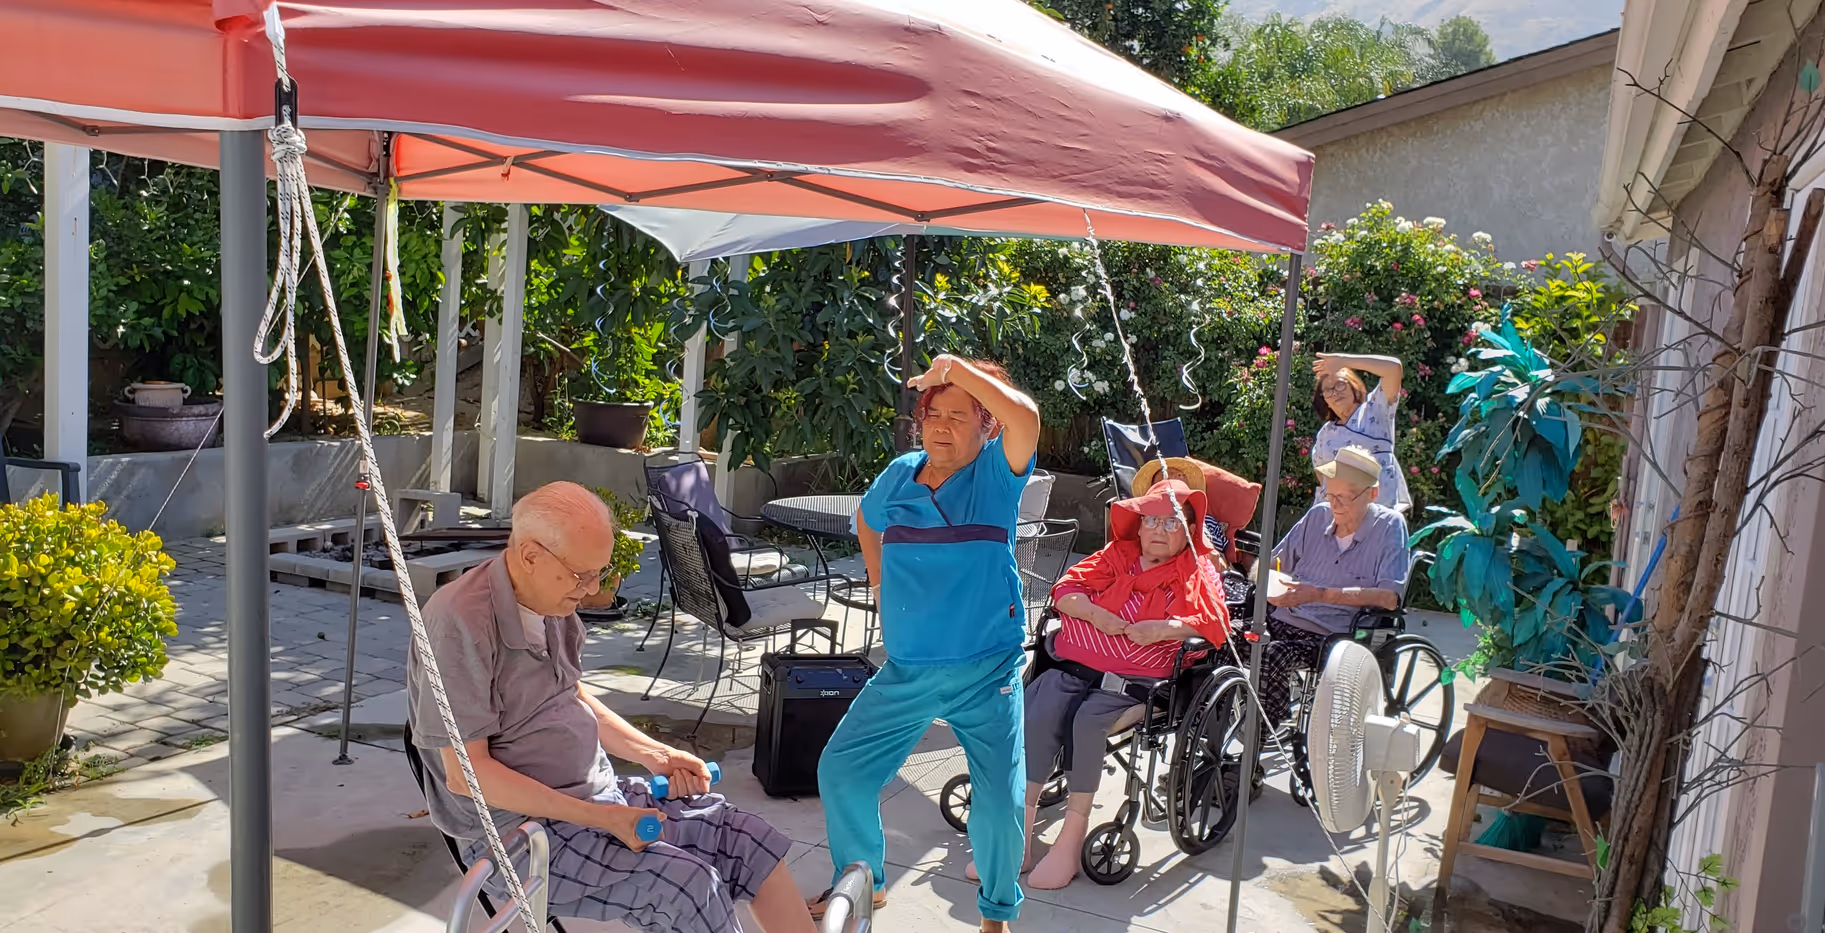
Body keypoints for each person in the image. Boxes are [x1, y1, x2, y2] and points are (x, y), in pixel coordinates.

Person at [405, 481, 813, 933]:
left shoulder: (551, 600)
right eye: (581, 574)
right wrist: (604, 818)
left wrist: (655, 754)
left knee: (745, 840)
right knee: (686, 887)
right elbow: (467, 775)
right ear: (530, 555)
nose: (593, 588)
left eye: (599, 572)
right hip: (519, 836)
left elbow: (572, 697)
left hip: (594, 798)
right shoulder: (459, 623)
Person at [814, 355, 1041, 933]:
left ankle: (996, 913)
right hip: (907, 671)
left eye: (958, 415)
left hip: (985, 672)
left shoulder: (994, 476)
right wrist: (877, 577)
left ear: (985, 424)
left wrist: (957, 369)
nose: (940, 426)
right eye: (932, 414)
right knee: (842, 771)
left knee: (1000, 804)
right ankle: (866, 881)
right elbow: (868, 520)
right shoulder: (899, 473)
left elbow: (1028, 418)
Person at [1013, 468, 1228, 889]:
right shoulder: (1117, 554)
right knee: (1041, 703)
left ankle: (1070, 839)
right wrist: (1097, 614)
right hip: (1077, 667)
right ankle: (1018, 827)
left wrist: (1164, 629)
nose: (1159, 530)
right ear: (1138, 522)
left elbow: (1216, 621)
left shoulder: (1197, 569)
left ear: (1188, 530)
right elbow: (1065, 590)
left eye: (1171, 522)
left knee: (1088, 720)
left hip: (1134, 685)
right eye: (1151, 519)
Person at [1261, 446, 1411, 727]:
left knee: (1272, 656)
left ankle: (1252, 753)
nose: (1335, 505)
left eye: (1344, 498)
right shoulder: (1317, 516)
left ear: (1372, 494)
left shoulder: (1390, 526)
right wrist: (1271, 584)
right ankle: (1206, 741)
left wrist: (1320, 594)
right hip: (1282, 620)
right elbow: (1269, 565)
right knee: (1220, 639)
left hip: (1332, 636)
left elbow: (1390, 598)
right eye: (1330, 495)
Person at [1311, 352, 1410, 513]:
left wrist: (1344, 361)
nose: (1335, 392)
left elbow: (1394, 368)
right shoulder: (1325, 434)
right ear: (1325, 401)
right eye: (1328, 390)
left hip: (1377, 512)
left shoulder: (1375, 409)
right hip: (1334, 517)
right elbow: (1322, 475)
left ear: (1353, 386)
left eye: (1341, 384)